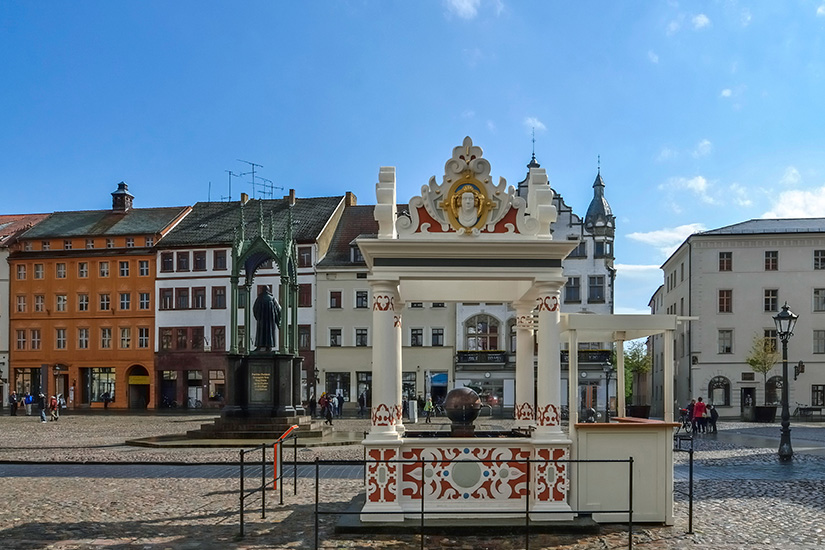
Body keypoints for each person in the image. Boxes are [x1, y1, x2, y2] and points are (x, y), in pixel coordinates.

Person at [252, 286, 281, 351]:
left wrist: (258, 318)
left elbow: (255, 309)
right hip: (270, 321)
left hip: (261, 321)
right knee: (269, 331)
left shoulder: (259, 298)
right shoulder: (272, 299)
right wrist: (278, 320)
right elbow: (279, 309)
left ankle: (259, 345)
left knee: (260, 332)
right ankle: (269, 346)